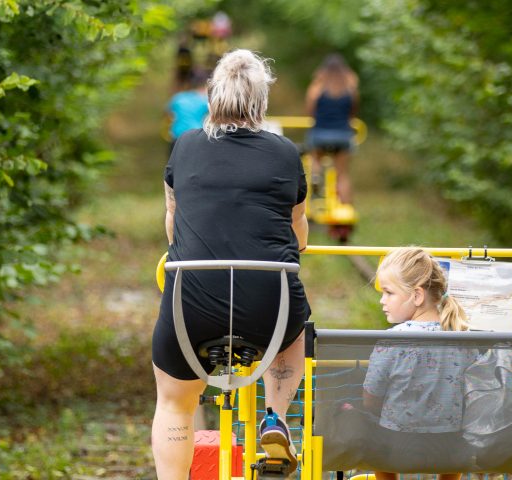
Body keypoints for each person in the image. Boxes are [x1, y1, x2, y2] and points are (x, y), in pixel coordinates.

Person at [150, 49, 310, 479]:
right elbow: (298, 233)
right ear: (261, 100)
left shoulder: (184, 147)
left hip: (193, 298)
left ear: (212, 96)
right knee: (295, 333)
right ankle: (274, 417)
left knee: (174, 403)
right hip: (268, 303)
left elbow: (173, 222)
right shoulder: (284, 153)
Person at [362, 248, 470, 480]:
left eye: (389, 293)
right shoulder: (464, 336)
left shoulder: (392, 339)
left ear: (417, 296)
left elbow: (370, 399)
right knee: (457, 431)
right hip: (450, 450)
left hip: (397, 449)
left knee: (368, 423)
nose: (382, 300)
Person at [305, 53, 360, 204]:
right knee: (342, 175)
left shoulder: (317, 87)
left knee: (315, 159)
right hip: (343, 135)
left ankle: (316, 177)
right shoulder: (350, 87)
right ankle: (346, 211)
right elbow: (353, 111)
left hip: (320, 134)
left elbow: (310, 111)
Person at [167, 72, 210, 140]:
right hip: (195, 136)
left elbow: (169, 113)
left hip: (177, 136)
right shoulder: (204, 101)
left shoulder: (177, 97)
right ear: (204, 87)